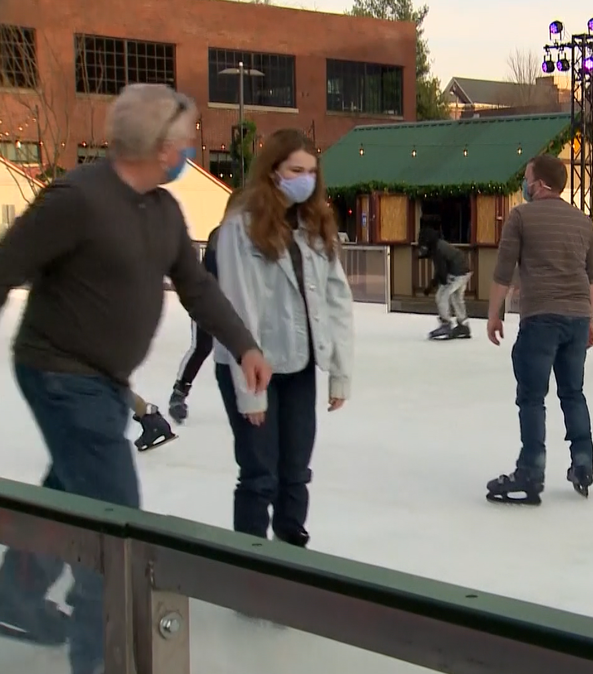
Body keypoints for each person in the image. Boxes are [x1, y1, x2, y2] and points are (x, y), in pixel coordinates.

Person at [0, 84, 269, 674]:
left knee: (72, 496)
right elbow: (6, 265)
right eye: (184, 140)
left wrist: (244, 343)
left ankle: (15, 592)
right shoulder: (78, 199)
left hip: (103, 381)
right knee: (115, 523)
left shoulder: (164, 211)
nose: (190, 150)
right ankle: (100, 657)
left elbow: (197, 289)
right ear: (157, 143)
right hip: (59, 374)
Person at [213, 128, 355, 548]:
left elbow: (337, 300)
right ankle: (252, 567)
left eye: (311, 171)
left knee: (296, 471)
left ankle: (292, 551)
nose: (305, 179)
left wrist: (340, 372)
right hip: (253, 366)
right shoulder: (241, 228)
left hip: (300, 365)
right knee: (260, 473)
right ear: (272, 172)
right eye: (296, 170)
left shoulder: (315, 226)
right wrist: (250, 392)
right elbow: (239, 305)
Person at [485, 154, 593, 505]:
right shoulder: (584, 222)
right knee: (572, 392)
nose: (524, 184)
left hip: (541, 318)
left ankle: (531, 471)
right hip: (577, 318)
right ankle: (583, 462)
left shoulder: (520, 216)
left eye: (526, 177)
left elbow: (503, 271)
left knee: (532, 397)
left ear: (539, 183)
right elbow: (591, 278)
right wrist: (590, 319)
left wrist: (494, 314)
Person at [168, 189, 243, 423]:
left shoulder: (249, 238)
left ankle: (250, 394)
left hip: (234, 303)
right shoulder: (219, 236)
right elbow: (212, 271)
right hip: (206, 300)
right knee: (202, 345)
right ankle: (179, 392)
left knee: (245, 346)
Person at [417, 225, 472, 340]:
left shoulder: (437, 250)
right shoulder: (439, 245)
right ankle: (463, 325)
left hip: (457, 273)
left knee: (442, 295)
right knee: (456, 298)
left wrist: (432, 286)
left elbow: (441, 272)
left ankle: (445, 324)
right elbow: (442, 269)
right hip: (465, 270)